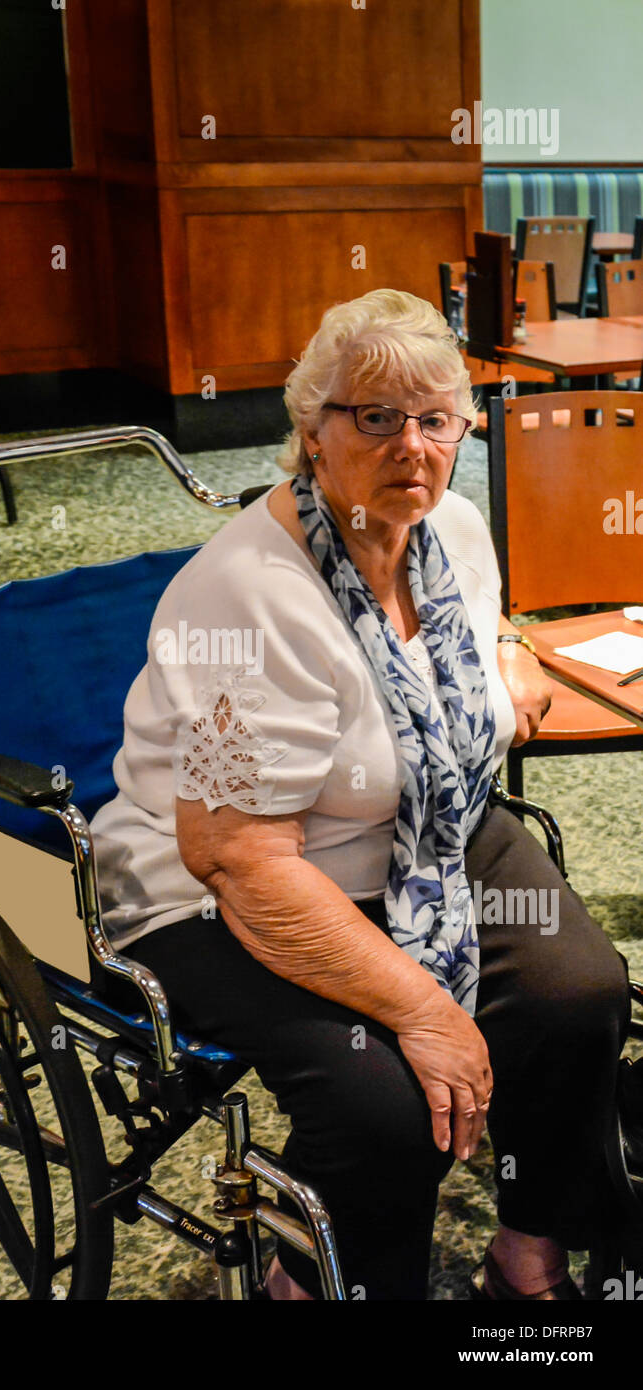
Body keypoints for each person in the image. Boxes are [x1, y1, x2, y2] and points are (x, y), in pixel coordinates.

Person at [90, 289, 629, 1300]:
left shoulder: (453, 526)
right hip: (225, 884)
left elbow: (478, 617)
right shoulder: (244, 596)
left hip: (423, 827)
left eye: (435, 419)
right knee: (383, 1103)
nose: (410, 446)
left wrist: (506, 650)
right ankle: (309, 1279)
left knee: (578, 994)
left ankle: (527, 1254)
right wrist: (420, 1009)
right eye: (374, 417)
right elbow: (233, 855)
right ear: (309, 428)